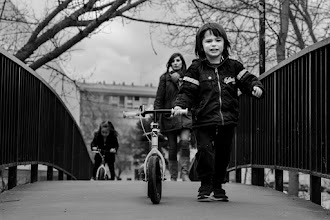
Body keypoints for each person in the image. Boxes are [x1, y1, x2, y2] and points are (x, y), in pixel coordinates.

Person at [173, 22, 264, 201]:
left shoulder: (233, 67)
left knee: (223, 153)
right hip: (203, 119)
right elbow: (187, 91)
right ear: (201, 46)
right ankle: (205, 183)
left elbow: (247, 79)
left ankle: (218, 185)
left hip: (227, 119)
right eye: (208, 41)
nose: (213, 44)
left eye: (217, 40)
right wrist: (180, 105)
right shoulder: (196, 69)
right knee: (205, 151)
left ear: (224, 44)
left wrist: (255, 87)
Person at [154, 52, 193, 181]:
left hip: (184, 115)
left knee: (185, 142)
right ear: (170, 64)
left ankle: (185, 173)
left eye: (178, 60)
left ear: (182, 62)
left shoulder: (189, 77)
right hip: (169, 116)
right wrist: (156, 117)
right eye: (173, 61)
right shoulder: (164, 78)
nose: (176, 63)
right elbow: (159, 98)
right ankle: (173, 175)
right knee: (172, 147)